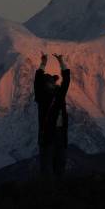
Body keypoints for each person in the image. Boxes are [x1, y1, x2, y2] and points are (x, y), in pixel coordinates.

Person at [33, 52, 71, 180]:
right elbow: (37, 81)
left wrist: (61, 62)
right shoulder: (42, 96)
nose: (52, 83)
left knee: (60, 163)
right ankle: (48, 187)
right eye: (50, 82)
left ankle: (57, 187)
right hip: (48, 134)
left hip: (59, 133)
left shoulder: (59, 94)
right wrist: (43, 64)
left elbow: (66, 81)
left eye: (53, 81)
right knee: (47, 166)